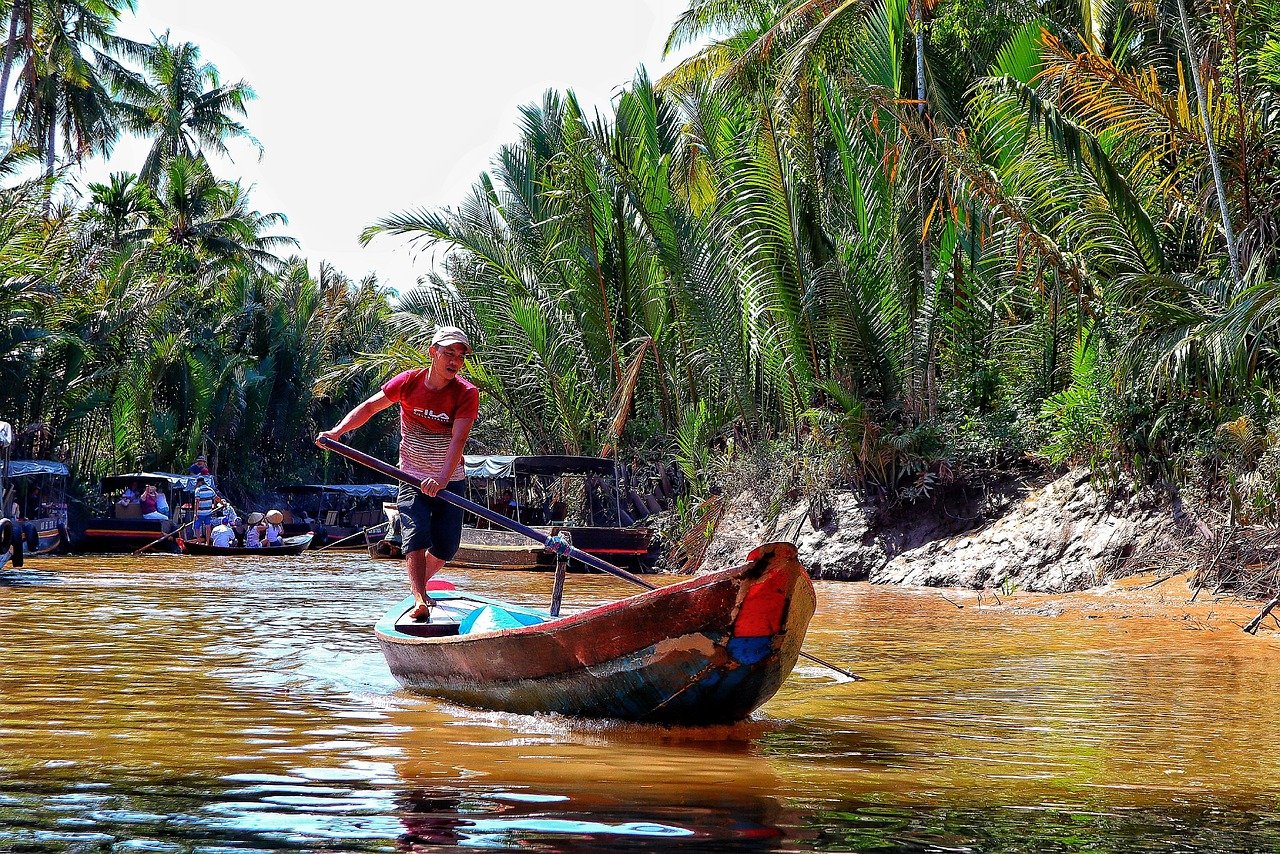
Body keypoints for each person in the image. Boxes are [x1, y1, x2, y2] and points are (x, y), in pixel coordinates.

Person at [318, 325, 479, 621]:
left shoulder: (466, 394)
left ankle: (418, 585)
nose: (454, 360)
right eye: (448, 353)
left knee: (447, 546)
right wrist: (338, 431)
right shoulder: (408, 383)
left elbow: (458, 440)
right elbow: (369, 408)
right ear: (433, 353)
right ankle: (420, 598)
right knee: (415, 535)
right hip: (411, 476)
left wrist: (441, 481)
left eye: (460, 356)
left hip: (449, 480)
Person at [192, 476, 219, 543]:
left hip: (200, 513)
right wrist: (222, 503)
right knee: (208, 526)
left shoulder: (198, 490)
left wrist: (195, 514)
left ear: (200, 483)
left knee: (196, 527)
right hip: (208, 512)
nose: (196, 484)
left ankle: (199, 542)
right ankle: (207, 542)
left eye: (197, 483)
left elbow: (197, 502)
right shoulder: (210, 489)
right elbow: (216, 498)